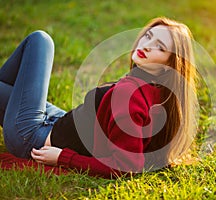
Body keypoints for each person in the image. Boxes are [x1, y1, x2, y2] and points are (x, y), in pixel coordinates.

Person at [0, 17, 198, 178]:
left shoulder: (130, 95)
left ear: (168, 65)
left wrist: (63, 158)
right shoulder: (159, 92)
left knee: (40, 40)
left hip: (32, 137)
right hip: (58, 122)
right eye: (148, 36)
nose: (146, 45)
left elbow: (125, 166)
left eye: (160, 47)